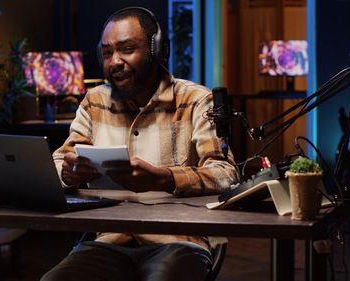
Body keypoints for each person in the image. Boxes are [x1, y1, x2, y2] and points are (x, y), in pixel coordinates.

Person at [42, 7, 239, 281]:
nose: (115, 61)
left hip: (178, 240)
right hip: (109, 241)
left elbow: (226, 174)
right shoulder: (94, 101)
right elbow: (58, 162)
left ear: (156, 50)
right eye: (108, 53)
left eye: (127, 49)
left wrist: (164, 179)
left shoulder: (196, 100)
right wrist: (67, 172)